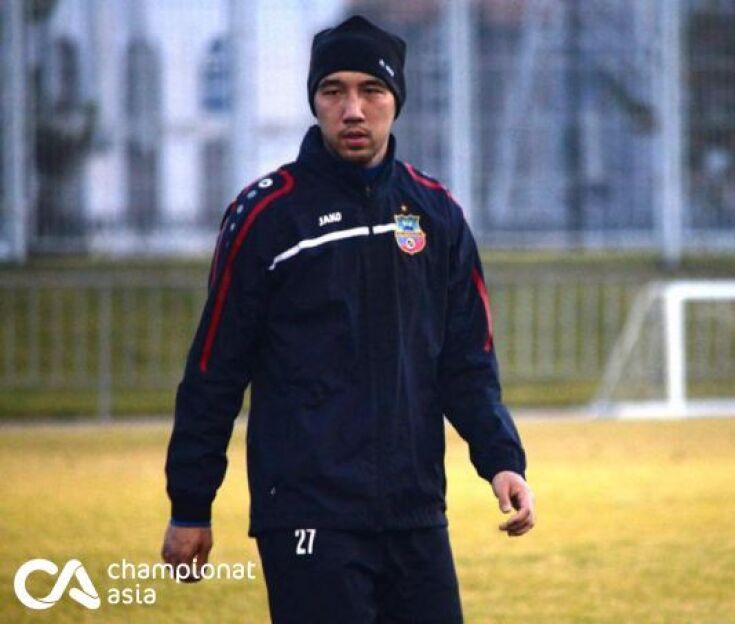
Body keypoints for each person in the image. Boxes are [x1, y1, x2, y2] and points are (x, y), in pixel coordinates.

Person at [161, 14, 534, 623]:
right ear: (315, 101)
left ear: (396, 100)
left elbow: (466, 363)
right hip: (308, 512)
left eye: (371, 90)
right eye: (334, 91)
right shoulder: (267, 216)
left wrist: (502, 461)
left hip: (415, 511)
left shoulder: (435, 214)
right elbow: (214, 371)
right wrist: (190, 503)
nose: (353, 110)